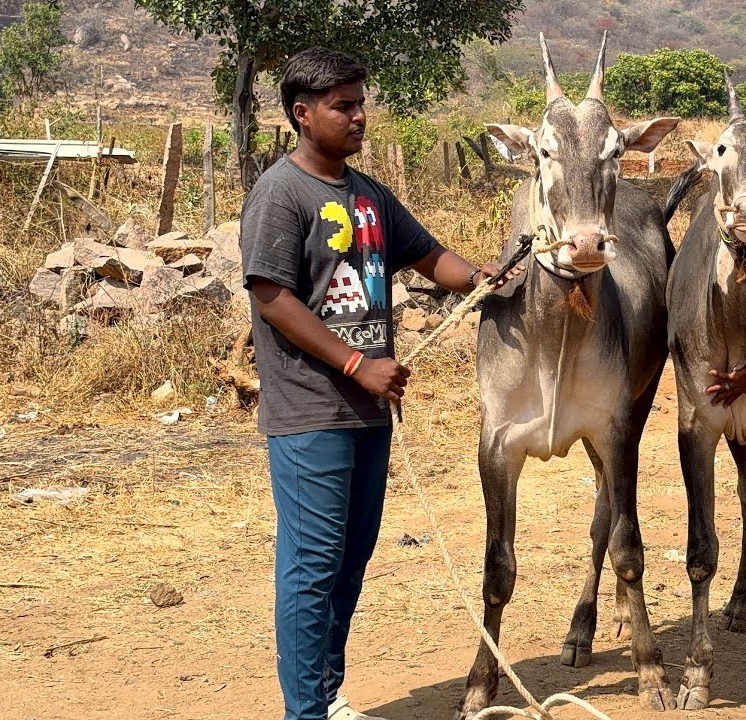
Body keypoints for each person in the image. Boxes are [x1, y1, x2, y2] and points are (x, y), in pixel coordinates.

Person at [239, 47, 520, 720]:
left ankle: (325, 695)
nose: (360, 116)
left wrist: (480, 273)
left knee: (349, 563)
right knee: (311, 570)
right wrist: (357, 363)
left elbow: (427, 255)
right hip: (311, 409)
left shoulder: (367, 195)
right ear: (303, 115)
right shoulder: (281, 193)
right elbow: (272, 295)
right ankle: (304, 711)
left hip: (367, 414)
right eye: (344, 105)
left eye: (361, 102)